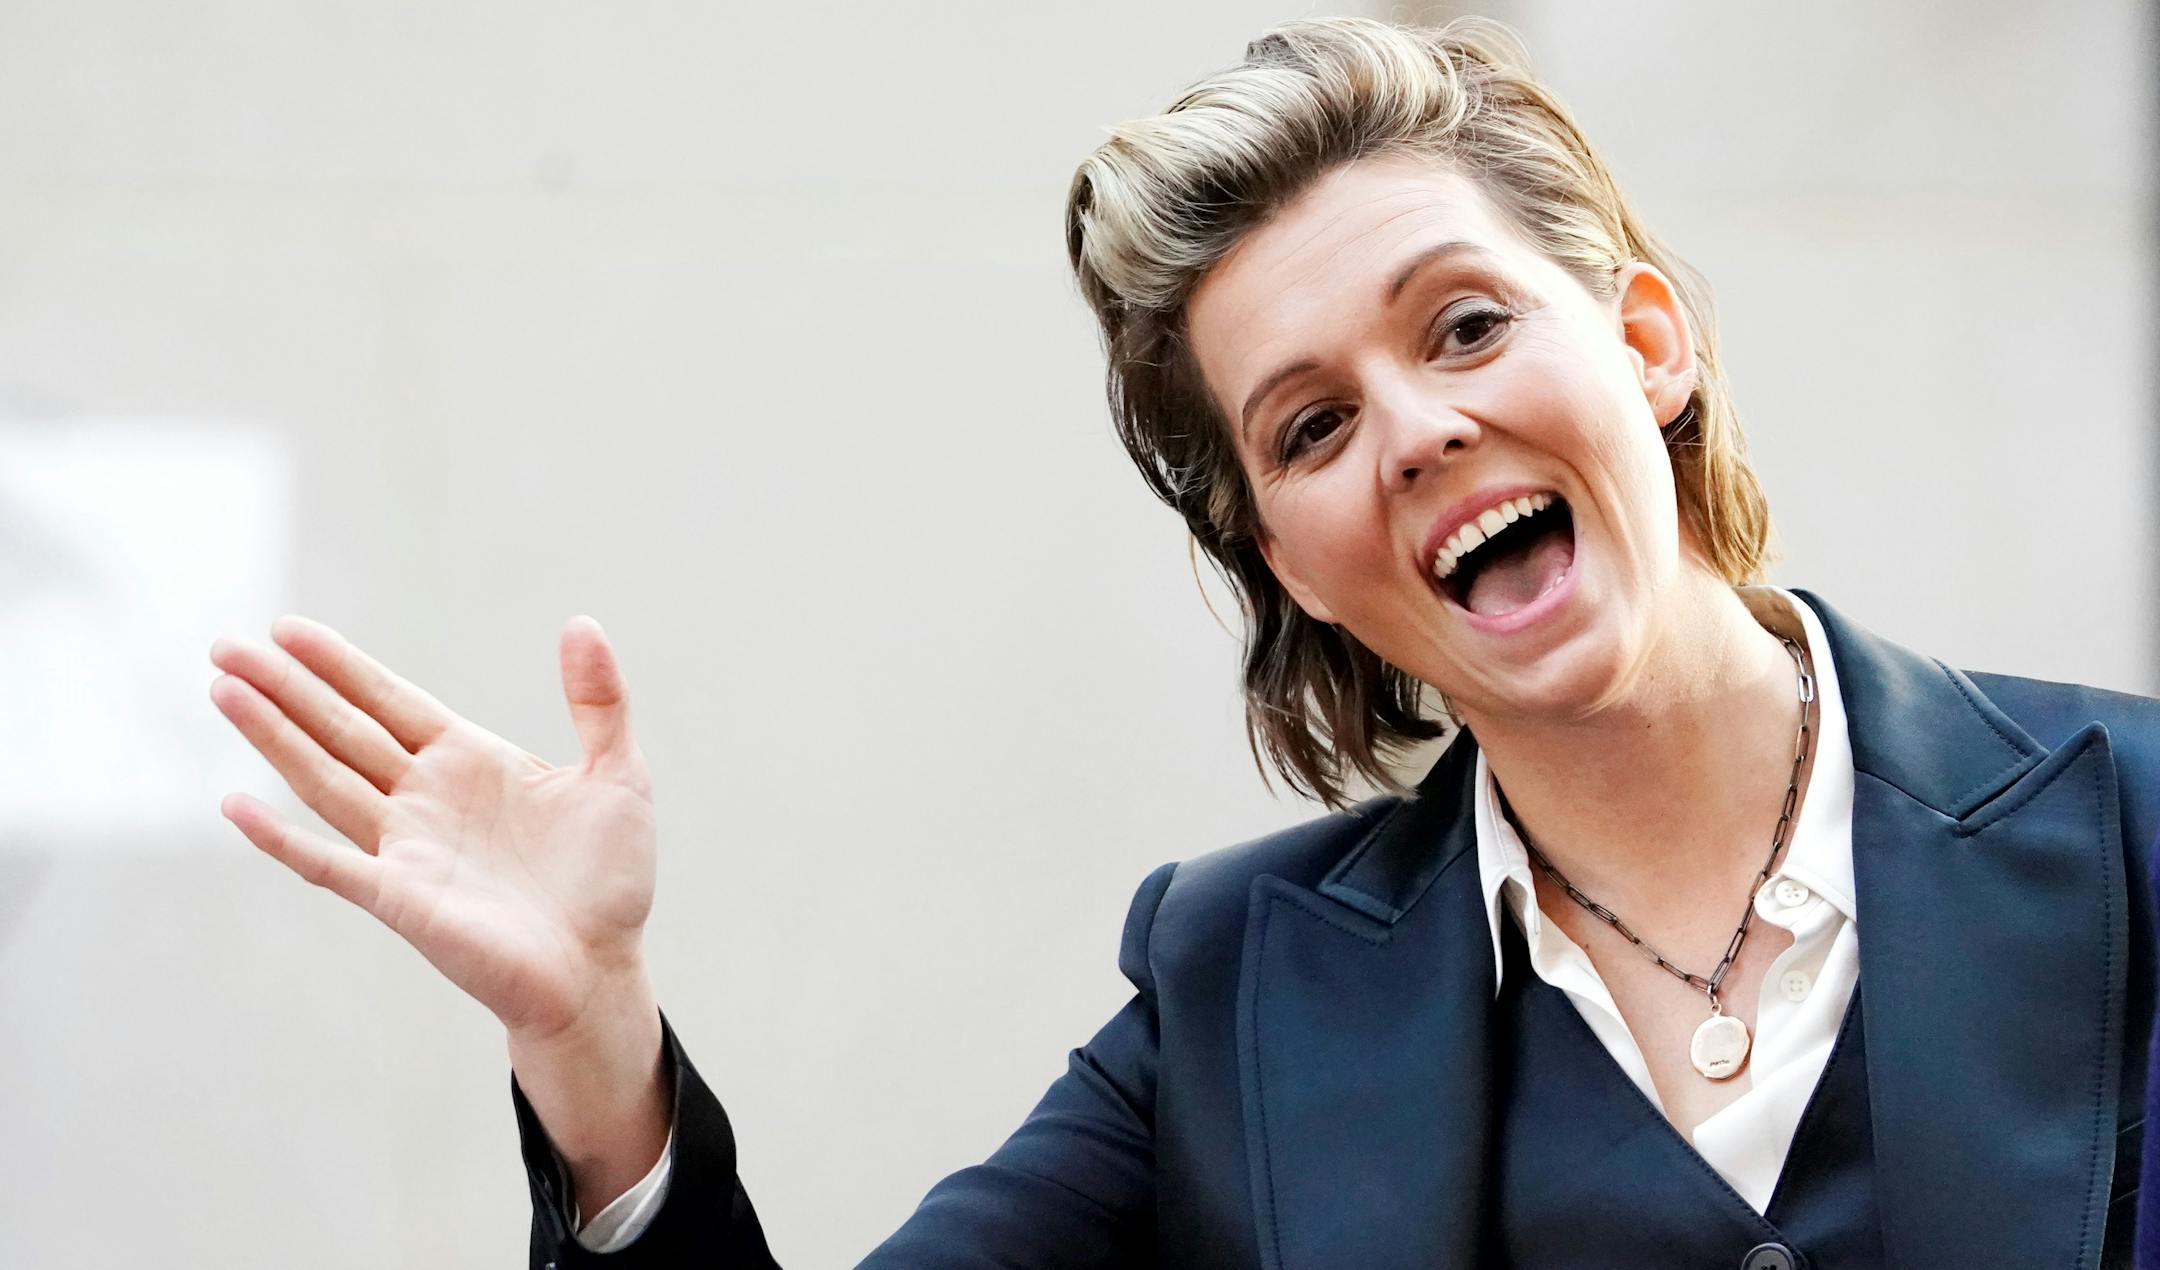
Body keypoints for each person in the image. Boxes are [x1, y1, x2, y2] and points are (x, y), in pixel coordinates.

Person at [207, 15, 2160, 1268]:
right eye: (1309, 425)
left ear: (1648, 339)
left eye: (1465, 323)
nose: (1413, 426)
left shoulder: (2139, 826)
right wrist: (591, 1045)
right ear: (1292, 559)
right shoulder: (1237, 994)